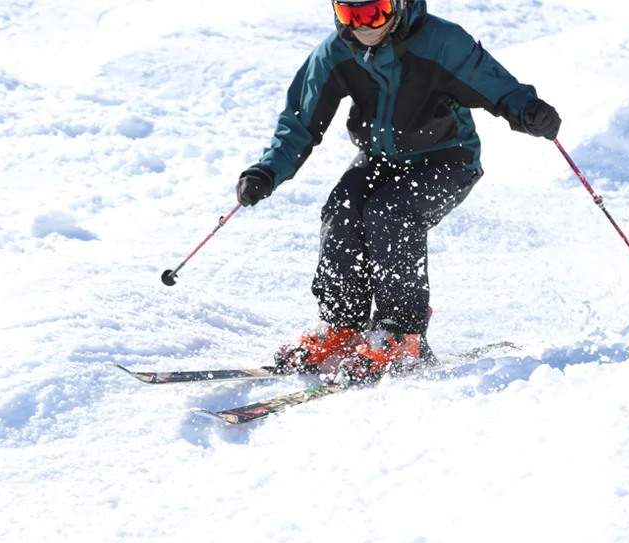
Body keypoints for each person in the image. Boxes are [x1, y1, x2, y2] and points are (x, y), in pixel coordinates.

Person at [235, 0, 561, 381]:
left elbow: (496, 85)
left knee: (389, 211)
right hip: (380, 158)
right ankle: (343, 325)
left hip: (448, 159)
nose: (361, 25)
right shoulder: (336, 51)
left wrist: (528, 112)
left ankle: (401, 332)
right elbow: (300, 120)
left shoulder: (441, 42)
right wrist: (267, 171)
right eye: (348, 14)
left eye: (372, 12)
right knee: (342, 207)